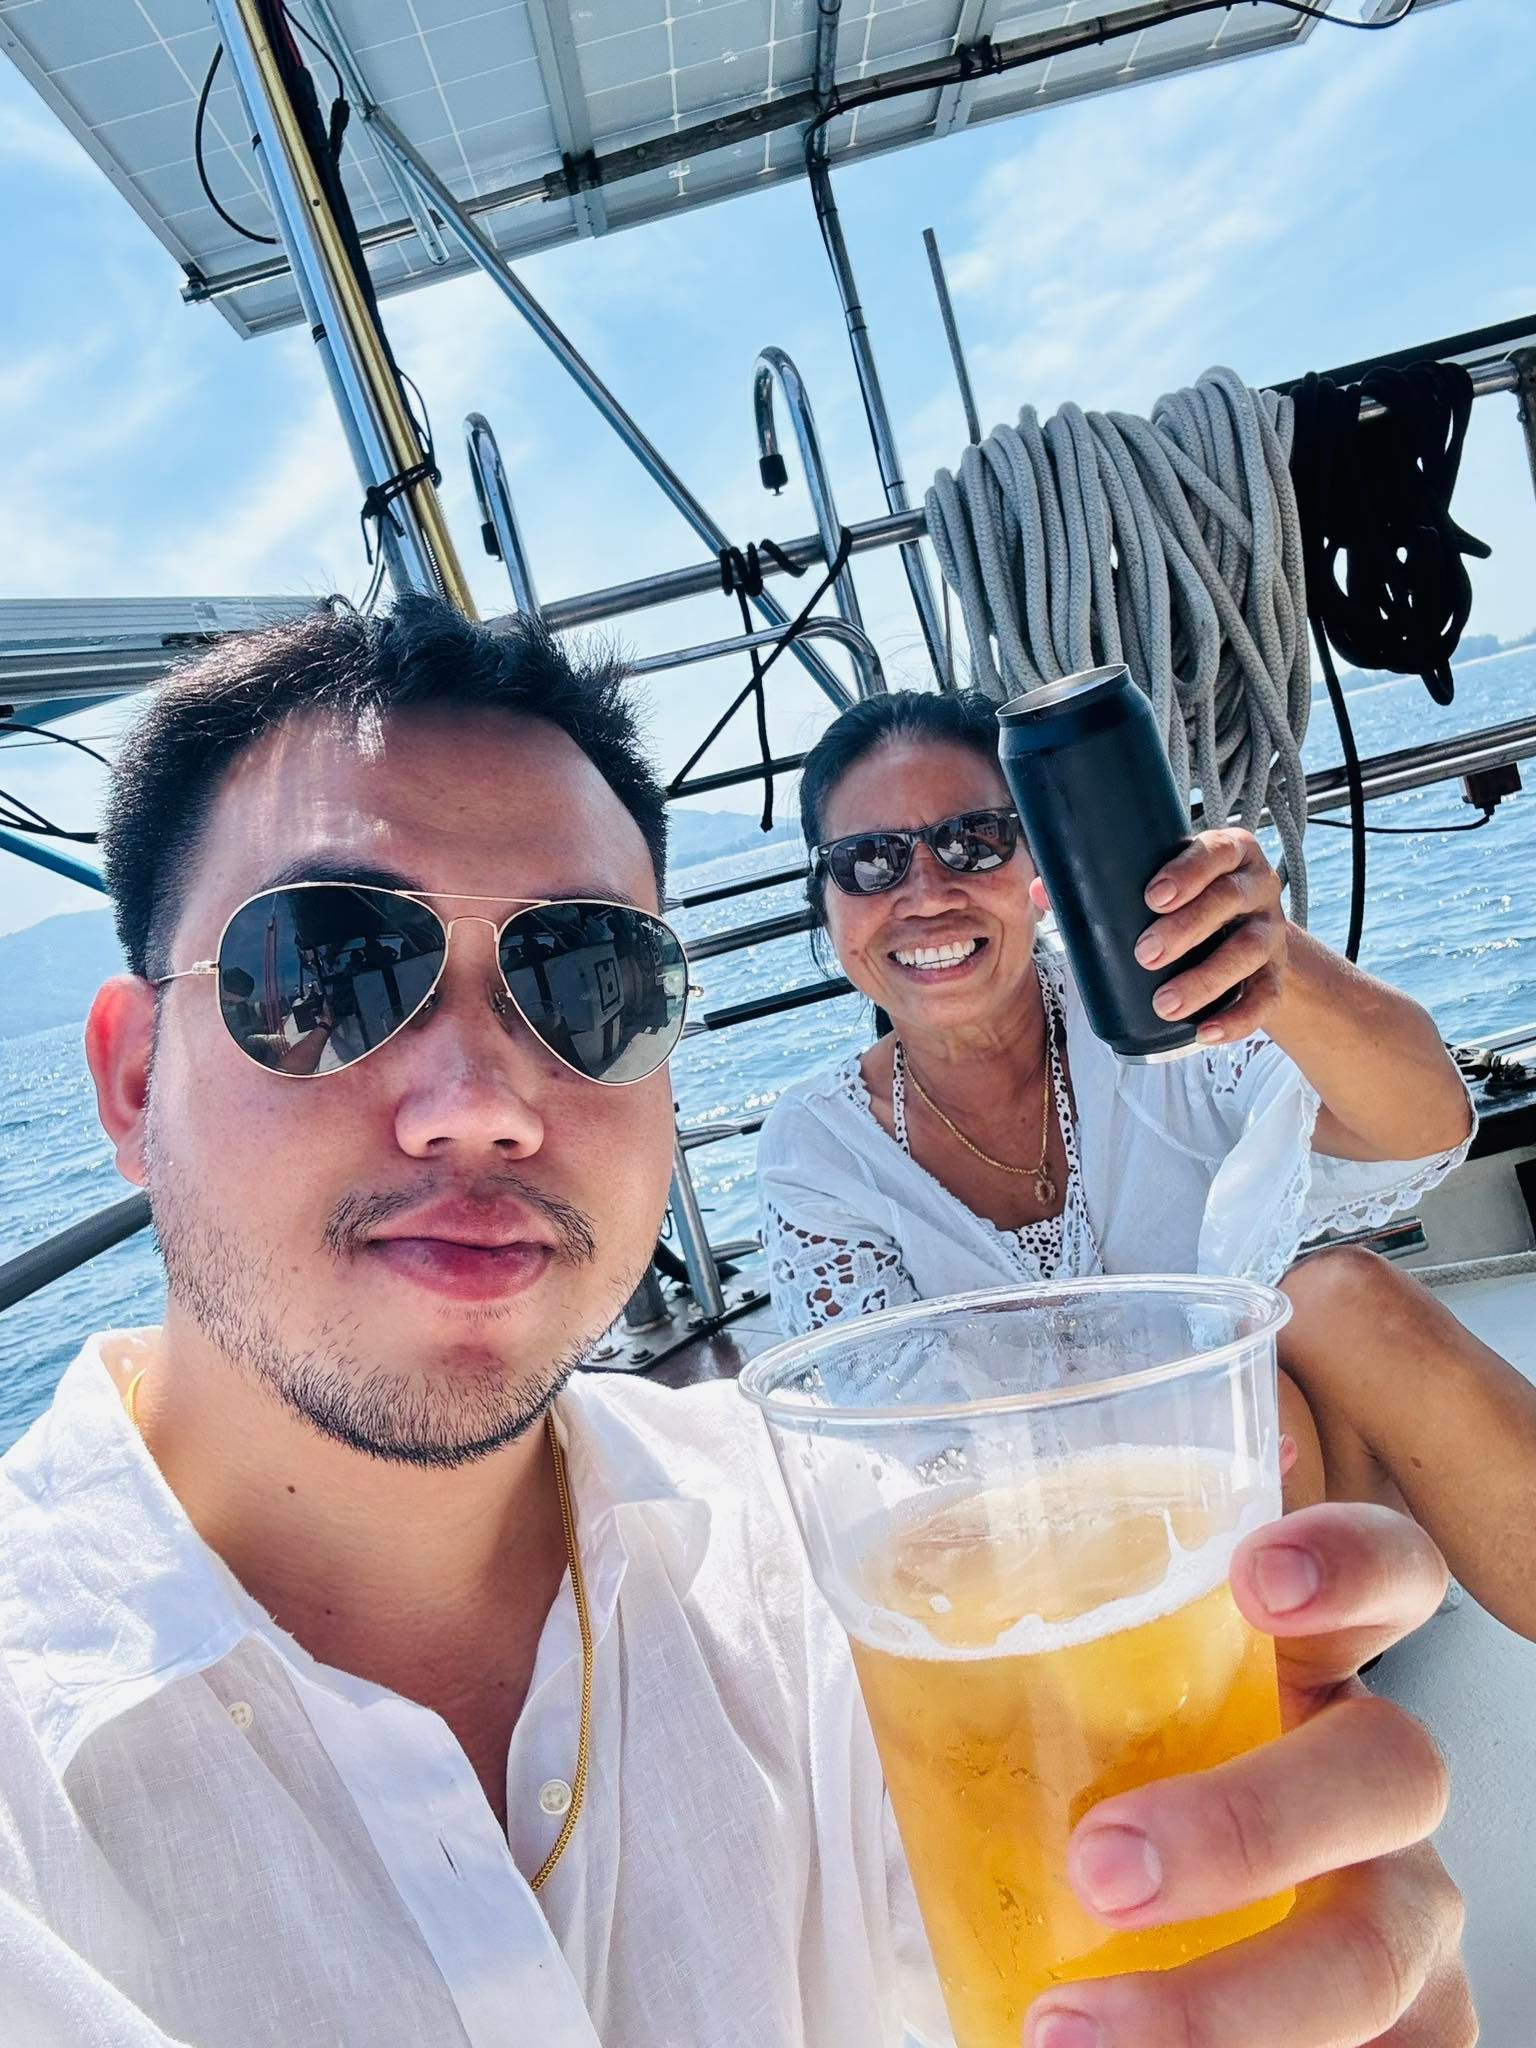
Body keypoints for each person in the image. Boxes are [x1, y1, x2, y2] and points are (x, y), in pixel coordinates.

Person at [0, 603, 1470, 2048]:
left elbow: (1416, 1133)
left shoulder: (819, 1601)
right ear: (134, 1086)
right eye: (323, 976)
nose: (484, 1105)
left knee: (1344, 1305)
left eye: (588, 984)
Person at [759, 687, 1536, 1641]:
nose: (924, 894)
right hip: (1066, 1608)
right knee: (1249, 1385)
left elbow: (1421, 1124)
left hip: (1304, 1522)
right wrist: (1195, 1416)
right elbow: (904, 1465)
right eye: (868, 862)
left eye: (972, 843)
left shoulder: (1157, 1010)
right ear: (827, 906)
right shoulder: (822, 1152)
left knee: (1341, 1298)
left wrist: (1275, 964)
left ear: (1038, 864)